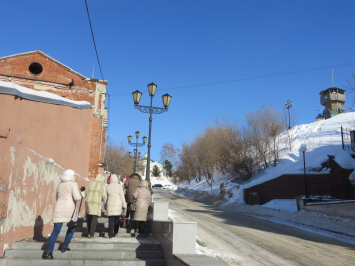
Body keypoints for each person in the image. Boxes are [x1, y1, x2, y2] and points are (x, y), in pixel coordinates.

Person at [42, 169, 85, 259]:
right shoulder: (73, 184)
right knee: (72, 227)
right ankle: (65, 246)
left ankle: (49, 252)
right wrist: (83, 194)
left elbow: (57, 197)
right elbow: (77, 197)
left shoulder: (60, 184)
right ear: (72, 175)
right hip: (69, 209)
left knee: (56, 230)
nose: (75, 176)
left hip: (58, 207)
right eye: (74, 174)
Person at [85, 173, 107, 238]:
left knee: (89, 216)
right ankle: (92, 233)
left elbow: (87, 191)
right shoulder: (102, 185)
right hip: (96, 202)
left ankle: (88, 230)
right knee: (94, 217)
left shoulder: (91, 183)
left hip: (89, 201)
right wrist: (103, 200)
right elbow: (103, 195)